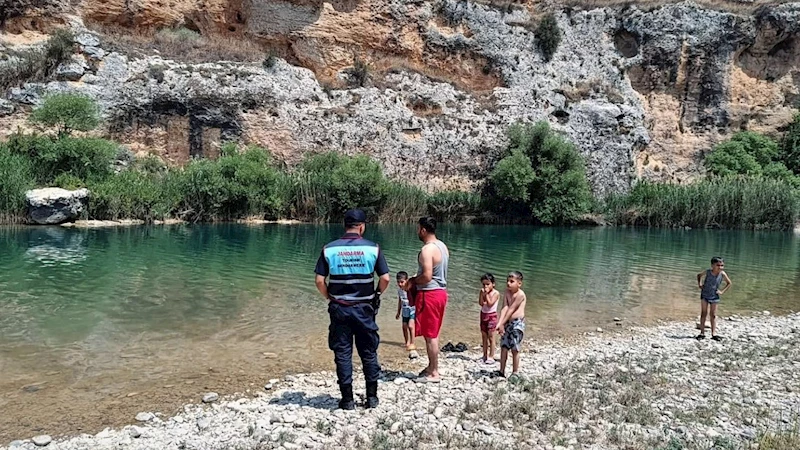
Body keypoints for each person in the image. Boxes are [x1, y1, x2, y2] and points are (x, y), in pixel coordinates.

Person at [314, 209, 390, 410]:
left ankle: (347, 400)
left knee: (343, 352)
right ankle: (372, 397)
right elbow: (385, 278)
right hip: (364, 308)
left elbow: (319, 280)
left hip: (340, 309)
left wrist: (329, 296)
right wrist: (377, 295)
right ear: (362, 226)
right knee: (368, 352)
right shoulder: (373, 249)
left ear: (344, 225)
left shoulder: (329, 249)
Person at [403, 216, 449, 383]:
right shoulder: (442, 246)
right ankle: (431, 366)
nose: (417, 232)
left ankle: (434, 373)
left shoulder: (427, 250)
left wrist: (412, 281)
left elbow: (428, 276)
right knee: (433, 332)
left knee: (430, 335)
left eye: (418, 228)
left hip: (430, 294)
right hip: (441, 293)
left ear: (423, 229)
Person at [496, 271, 527, 379]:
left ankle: (515, 372)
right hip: (507, 323)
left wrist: (502, 323)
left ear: (519, 283)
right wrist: (500, 323)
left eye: (512, 281)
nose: (508, 283)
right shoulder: (507, 292)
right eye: (507, 281)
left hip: (517, 324)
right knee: (504, 346)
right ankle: (501, 371)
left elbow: (511, 309)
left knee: (515, 348)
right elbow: (504, 307)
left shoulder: (520, 294)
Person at [696, 256, 732, 341]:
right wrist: (700, 284)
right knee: (703, 313)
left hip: (714, 296)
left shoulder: (722, 274)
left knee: (713, 315)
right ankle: (702, 332)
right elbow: (699, 275)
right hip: (705, 294)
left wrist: (722, 291)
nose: (720, 267)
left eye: (722, 265)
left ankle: (713, 333)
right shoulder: (708, 272)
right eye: (718, 265)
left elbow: (729, 283)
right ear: (712, 265)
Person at [478, 273, 500, 364]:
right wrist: (481, 295)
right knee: (484, 335)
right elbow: (481, 303)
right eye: (484, 284)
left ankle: (491, 356)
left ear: (493, 284)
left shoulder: (496, 293)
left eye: (488, 284)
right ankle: (484, 355)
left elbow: (490, 303)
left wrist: (486, 294)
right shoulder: (482, 291)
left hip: (492, 316)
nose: (485, 286)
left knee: (491, 336)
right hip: (483, 314)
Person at [394, 271, 417, 351]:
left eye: (402, 282)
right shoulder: (400, 291)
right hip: (404, 310)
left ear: (406, 281)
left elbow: (414, 279)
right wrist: (398, 312)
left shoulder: (410, 288)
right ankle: (406, 342)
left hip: (412, 309)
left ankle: (412, 343)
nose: (400, 284)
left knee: (410, 326)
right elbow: (400, 301)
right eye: (398, 282)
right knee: (404, 326)